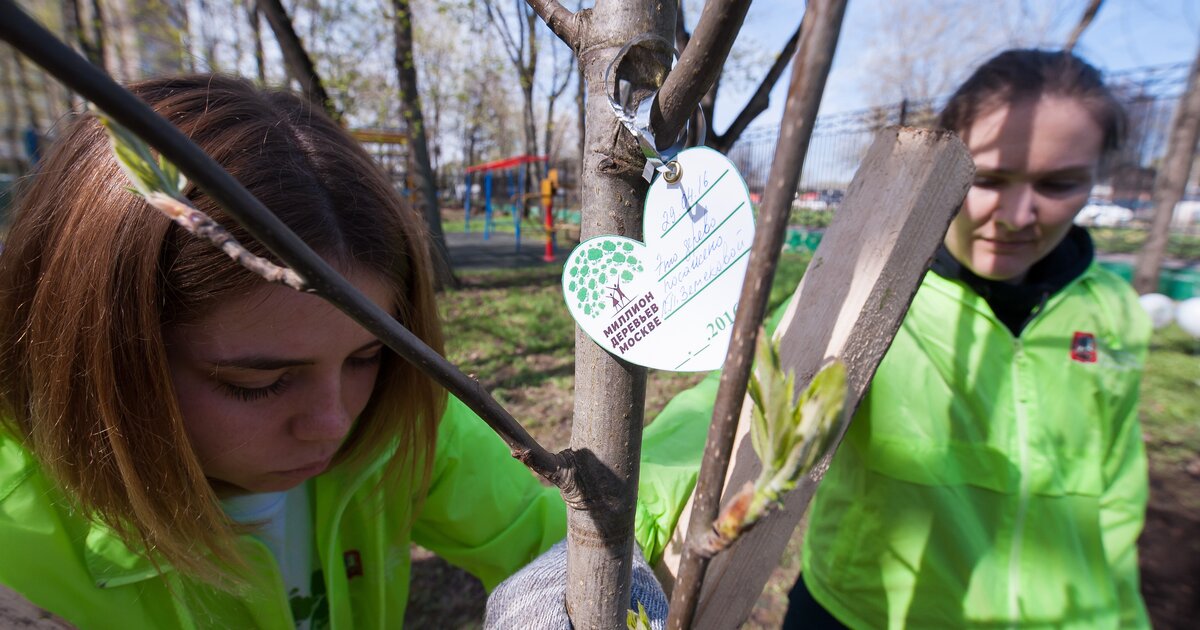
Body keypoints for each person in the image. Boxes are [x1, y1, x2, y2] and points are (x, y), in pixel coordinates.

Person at [0, 75, 675, 629]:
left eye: (365, 357)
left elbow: (553, 530)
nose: (333, 422)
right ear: (97, 359)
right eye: (255, 382)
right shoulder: (17, 550)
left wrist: (587, 581)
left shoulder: (399, 424)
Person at [648, 49, 1152, 629]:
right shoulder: (872, 296)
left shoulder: (1113, 311)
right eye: (988, 178)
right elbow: (716, 414)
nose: (1017, 214)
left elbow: (1117, 499)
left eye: (1058, 184)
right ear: (948, 161)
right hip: (863, 617)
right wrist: (622, 534)